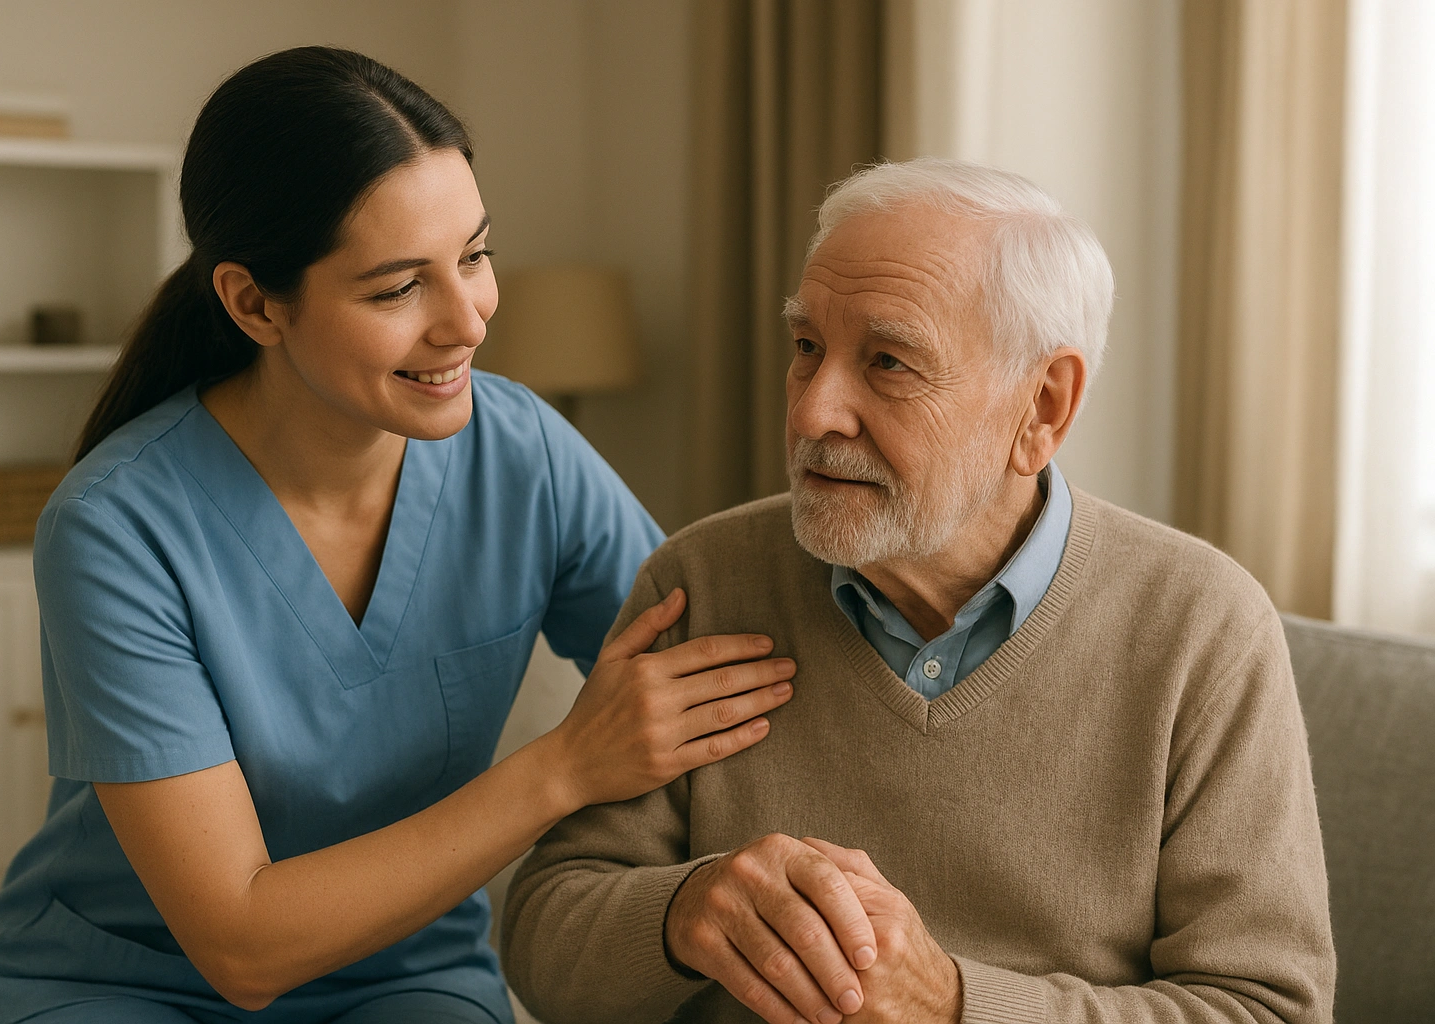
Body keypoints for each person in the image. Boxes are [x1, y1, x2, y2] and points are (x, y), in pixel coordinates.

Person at [0, 47, 799, 1024]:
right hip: (117, 978)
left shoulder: (525, 455)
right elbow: (241, 943)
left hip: (405, 975)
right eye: (398, 289)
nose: (467, 320)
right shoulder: (117, 525)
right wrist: (562, 766)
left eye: (473, 255)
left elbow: (717, 676)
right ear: (254, 303)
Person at [502, 158, 1335, 1024]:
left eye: (890, 362)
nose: (813, 411)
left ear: (1043, 407)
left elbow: (1269, 1009)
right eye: (806, 348)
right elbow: (543, 939)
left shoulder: (1202, 628)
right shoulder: (702, 582)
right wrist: (682, 913)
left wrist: (953, 1006)